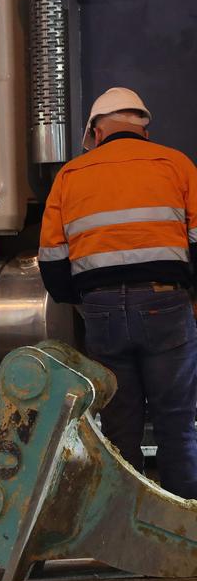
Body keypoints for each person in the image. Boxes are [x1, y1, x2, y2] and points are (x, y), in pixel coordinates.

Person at [39, 87, 197, 498]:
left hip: (102, 308)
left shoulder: (71, 176)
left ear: (96, 130)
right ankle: (187, 533)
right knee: (176, 420)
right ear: (142, 126)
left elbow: (52, 260)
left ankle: (130, 527)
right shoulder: (176, 165)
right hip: (167, 302)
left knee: (120, 424)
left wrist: (86, 303)